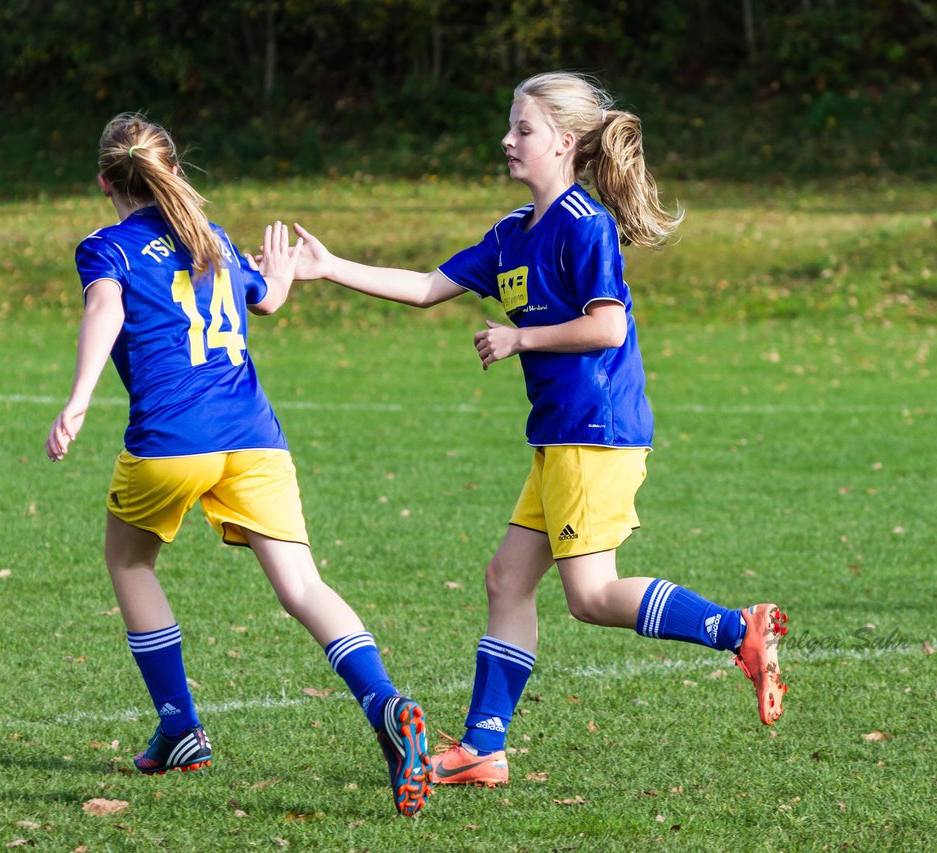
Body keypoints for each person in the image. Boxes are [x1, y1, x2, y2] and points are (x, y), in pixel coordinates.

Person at [283, 72, 789, 789]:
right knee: (506, 579)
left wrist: (523, 340)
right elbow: (429, 287)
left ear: (563, 142)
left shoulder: (585, 222)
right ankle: (485, 747)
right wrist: (328, 267)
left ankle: (739, 628)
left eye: (521, 129)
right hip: (561, 436)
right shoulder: (511, 234)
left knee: (590, 595)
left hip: (597, 431)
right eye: (510, 127)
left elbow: (607, 324)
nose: (507, 140)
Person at [44, 113, 431, 816]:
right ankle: (387, 703)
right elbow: (269, 299)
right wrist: (281, 274)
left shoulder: (107, 247)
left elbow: (103, 308)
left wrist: (76, 399)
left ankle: (180, 725)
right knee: (303, 587)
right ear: (171, 171)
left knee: (130, 565)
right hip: (254, 439)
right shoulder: (210, 236)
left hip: (171, 441)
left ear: (105, 180)